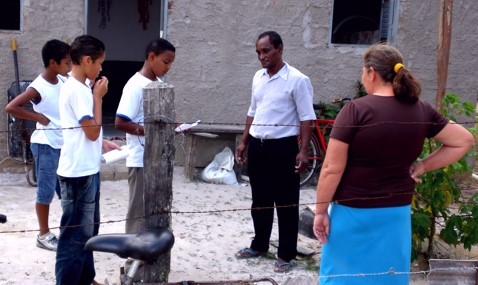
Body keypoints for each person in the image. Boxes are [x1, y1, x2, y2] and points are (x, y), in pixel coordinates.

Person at [313, 44, 474, 285]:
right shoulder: (421, 109)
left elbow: (331, 169)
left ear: (371, 73)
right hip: (395, 214)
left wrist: (320, 211)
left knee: (342, 278)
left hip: (352, 212)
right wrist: (423, 166)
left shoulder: (355, 110)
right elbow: (464, 140)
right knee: (387, 278)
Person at [235, 31, 316, 273]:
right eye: (258, 52)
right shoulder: (258, 78)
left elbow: (306, 118)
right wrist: (244, 141)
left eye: (266, 51)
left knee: (286, 202)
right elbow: (253, 110)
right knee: (259, 201)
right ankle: (259, 245)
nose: (262, 56)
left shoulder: (298, 80)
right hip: (258, 147)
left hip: (283, 148)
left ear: (280, 48)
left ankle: (285, 254)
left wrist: (303, 151)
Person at [55, 35, 120, 285]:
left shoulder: (78, 88)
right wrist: (99, 97)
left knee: (88, 231)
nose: (101, 68)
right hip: (78, 174)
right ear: (86, 60)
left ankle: (86, 278)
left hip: (84, 169)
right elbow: (91, 130)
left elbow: (87, 132)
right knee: (75, 236)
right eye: (99, 63)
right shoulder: (79, 91)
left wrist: (103, 143)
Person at [5, 39, 71, 251]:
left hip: (61, 144)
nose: (69, 66)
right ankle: (43, 234)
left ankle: (66, 230)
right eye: (66, 62)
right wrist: (37, 117)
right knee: (45, 191)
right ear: (53, 63)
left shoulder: (61, 81)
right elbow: (12, 107)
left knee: (64, 190)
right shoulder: (38, 86)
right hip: (45, 145)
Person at [115, 38, 176, 234]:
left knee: (155, 206)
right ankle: (133, 252)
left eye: (171, 63)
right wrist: (151, 130)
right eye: (166, 62)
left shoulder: (158, 84)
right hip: (140, 158)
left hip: (157, 157)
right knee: (138, 209)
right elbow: (121, 122)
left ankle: (148, 253)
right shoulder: (135, 85)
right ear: (151, 57)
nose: (168, 68)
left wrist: (174, 126)